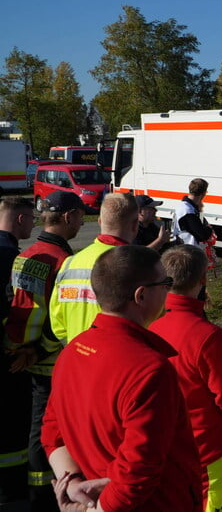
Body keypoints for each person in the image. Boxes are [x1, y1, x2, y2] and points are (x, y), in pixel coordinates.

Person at [42, 245, 202, 511]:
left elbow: (51, 431)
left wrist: (71, 483)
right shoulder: (150, 370)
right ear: (141, 295)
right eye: (165, 283)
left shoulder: (72, 350)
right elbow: (139, 468)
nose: (168, 290)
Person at [5, 192, 83, 509]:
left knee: (36, 430)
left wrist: (18, 348)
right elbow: (47, 315)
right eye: (79, 216)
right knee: (50, 433)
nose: (80, 221)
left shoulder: (29, 254)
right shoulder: (61, 261)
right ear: (68, 218)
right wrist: (33, 351)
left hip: (28, 356)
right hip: (49, 361)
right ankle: (48, 496)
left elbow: (22, 310)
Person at [149, 245, 222, 512]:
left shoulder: (148, 326)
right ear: (202, 280)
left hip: (162, 449)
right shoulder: (208, 336)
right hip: (207, 451)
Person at [48, 192, 139, 343]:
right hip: (118, 357)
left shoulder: (70, 263)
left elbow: (57, 324)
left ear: (99, 221)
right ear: (136, 224)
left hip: (78, 355)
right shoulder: (139, 265)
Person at [0, 197, 36, 507]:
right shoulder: (12, 258)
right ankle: (13, 493)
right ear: (21, 220)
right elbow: (17, 312)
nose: (34, 224)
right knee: (13, 430)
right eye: (32, 219)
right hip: (10, 361)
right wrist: (22, 350)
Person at [173, 178, 215, 246]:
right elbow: (202, 235)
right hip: (189, 249)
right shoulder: (188, 211)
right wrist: (209, 228)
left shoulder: (184, 206)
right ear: (204, 193)